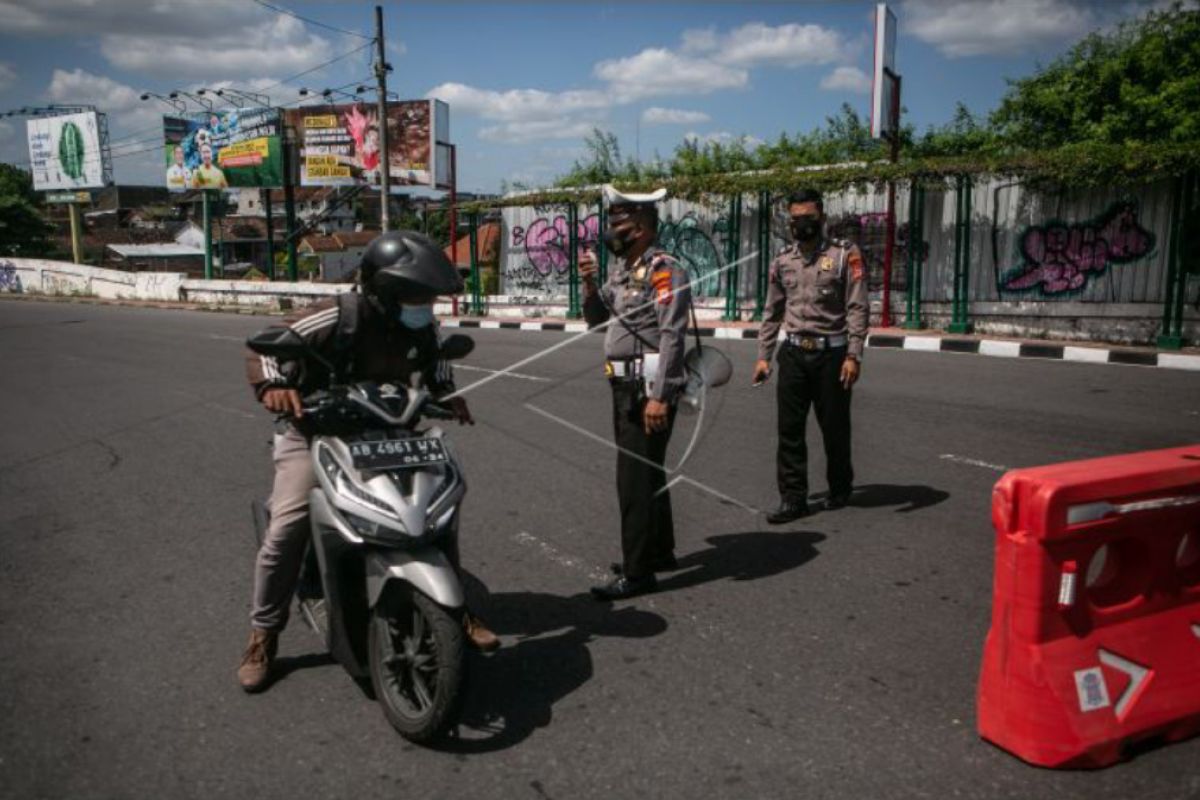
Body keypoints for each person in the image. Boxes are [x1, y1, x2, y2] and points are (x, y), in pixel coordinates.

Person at [237, 230, 499, 693]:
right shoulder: (337, 314)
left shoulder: (420, 326)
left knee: (438, 510)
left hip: (389, 430)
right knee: (288, 526)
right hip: (316, 432)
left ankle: (455, 609)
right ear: (384, 289)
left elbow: (437, 366)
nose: (427, 306)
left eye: (430, 298)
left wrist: (448, 396)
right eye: (418, 296)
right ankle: (264, 633)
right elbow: (264, 349)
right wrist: (273, 387)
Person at [580, 185, 691, 600]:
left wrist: (661, 396)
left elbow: (672, 336)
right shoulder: (621, 270)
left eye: (619, 225)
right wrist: (590, 284)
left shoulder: (665, 269)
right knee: (650, 473)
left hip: (645, 387)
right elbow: (595, 321)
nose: (612, 232)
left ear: (642, 228)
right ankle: (658, 552)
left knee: (633, 481)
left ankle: (638, 571)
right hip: (623, 384)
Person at [752, 189, 868, 524]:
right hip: (793, 355)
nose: (801, 224)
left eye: (808, 218)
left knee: (834, 427)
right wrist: (764, 356)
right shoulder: (782, 260)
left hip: (831, 355)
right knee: (789, 429)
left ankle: (840, 486)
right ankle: (793, 499)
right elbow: (772, 310)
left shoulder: (845, 255)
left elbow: (857, 307)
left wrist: (853, 354)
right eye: (795, 219)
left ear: (822, 219)